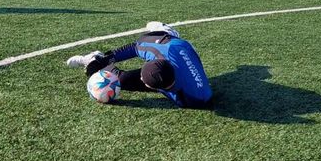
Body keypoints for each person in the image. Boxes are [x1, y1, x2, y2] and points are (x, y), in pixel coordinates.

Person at [66, 22, 213, 108]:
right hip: (176, 46)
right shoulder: (162, 49)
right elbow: (134, 47)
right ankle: (165, 31)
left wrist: (94, 69)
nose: (141, 79)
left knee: (122, 81)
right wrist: (104, 60)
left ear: (156, 88)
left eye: (143, 80)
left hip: (181, 64)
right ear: (157, 60)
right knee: (150, 35)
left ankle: (91, 60)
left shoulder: (193, 99)